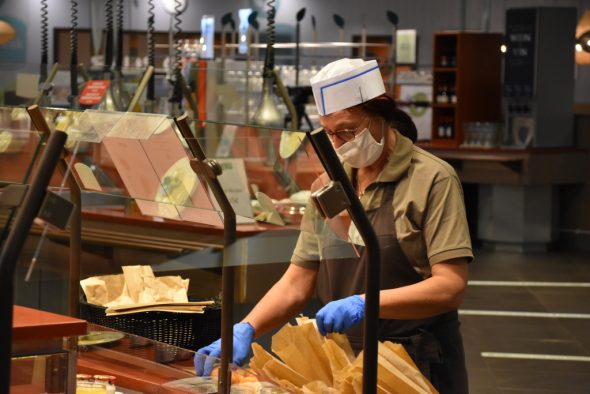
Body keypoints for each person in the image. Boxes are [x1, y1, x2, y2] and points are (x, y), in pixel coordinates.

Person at [195, 58, 473, 393]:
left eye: (348, 130)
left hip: (416, 363)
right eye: (330, 134)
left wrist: (365, 303)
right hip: (344, 361)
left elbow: (450, 286)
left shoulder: (432, 179)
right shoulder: (330, 184)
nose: (340, 144)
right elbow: (299, 280)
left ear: (381, 116)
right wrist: (247, 327)